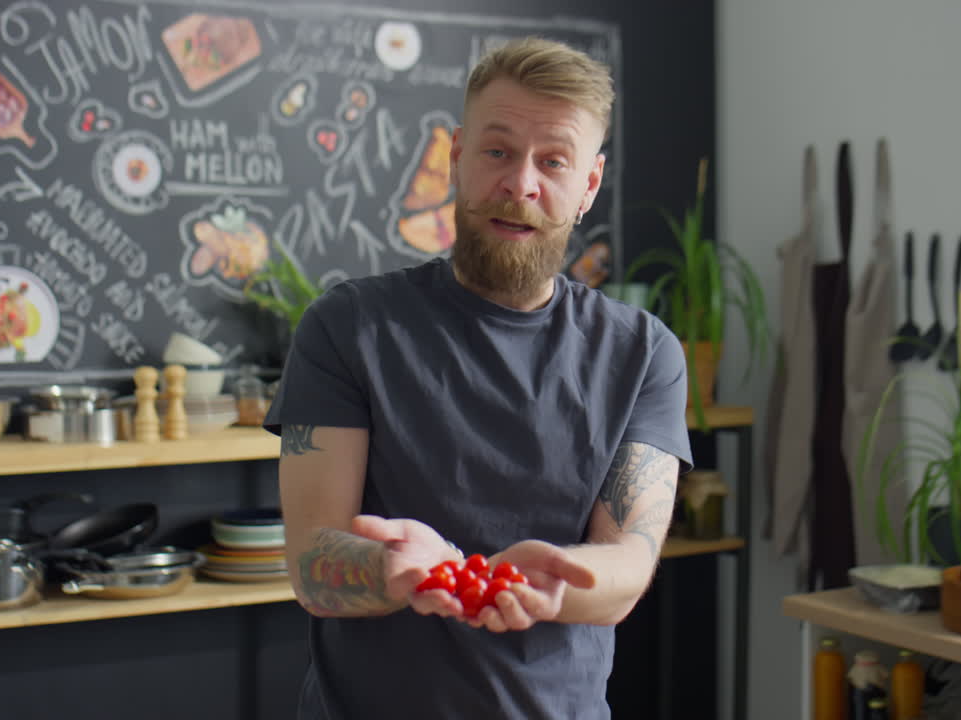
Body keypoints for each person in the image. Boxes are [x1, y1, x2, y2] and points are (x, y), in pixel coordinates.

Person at [264, 36, 692, 719]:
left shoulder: (643, 355)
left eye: (553, 161)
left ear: (589, 185)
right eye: (497, 151)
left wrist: (557, 585)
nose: (520, 184)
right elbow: (313, 563)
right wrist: (395, 572)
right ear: (457, 158)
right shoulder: (347, 328)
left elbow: (629, 563)